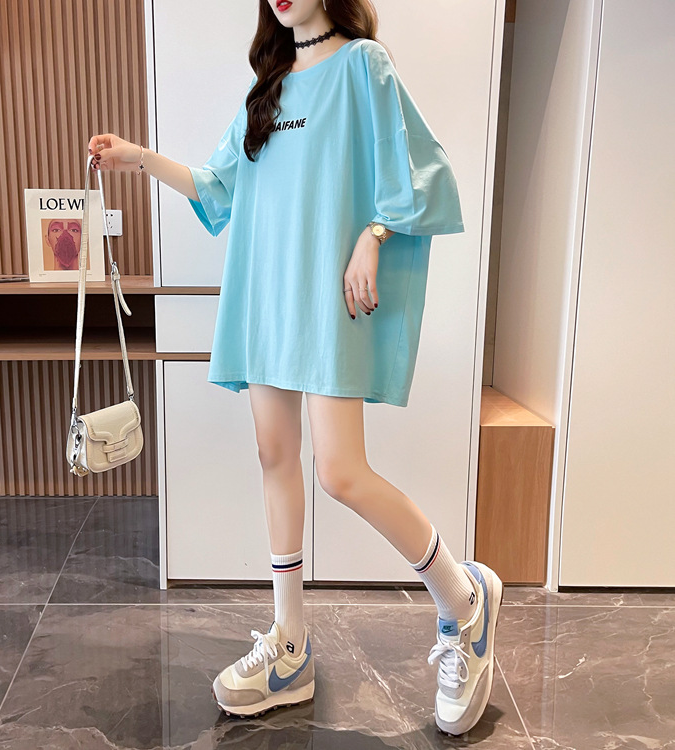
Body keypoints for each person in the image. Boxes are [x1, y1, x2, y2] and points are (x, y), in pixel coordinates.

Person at [88, 0, 503, 737]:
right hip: (266, 295)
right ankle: (289, 645)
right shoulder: (270, 85)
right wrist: (138, 158)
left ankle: (463, 600)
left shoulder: (364, 65)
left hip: (325, 297)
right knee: (274, 457)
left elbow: (416, 170)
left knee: (341, 473)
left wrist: (375, 234)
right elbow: (218, 184)